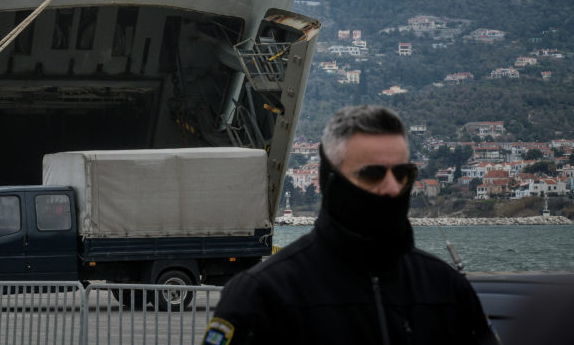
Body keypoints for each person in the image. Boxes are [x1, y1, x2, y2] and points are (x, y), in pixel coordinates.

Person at [201, 105, 498, 345]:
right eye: (372, 174)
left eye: (403, 173)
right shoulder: (262, 296)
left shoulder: (446, 290)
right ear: (331, 182)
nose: (392, 188)